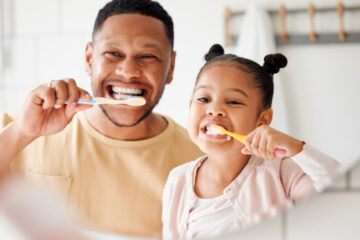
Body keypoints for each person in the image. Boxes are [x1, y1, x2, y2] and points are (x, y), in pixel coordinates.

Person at [0, 0, 203, 237]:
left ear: (170, 68)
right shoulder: (19, 132)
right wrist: (21, 133)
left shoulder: (198, 161)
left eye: (147, 56)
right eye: (113, 53)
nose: (128, 71)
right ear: (89, 59)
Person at [161, 44, 339, 240]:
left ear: (262, 120)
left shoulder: (282, 174)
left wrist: (297, 149)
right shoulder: (177, 180)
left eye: (233, 102)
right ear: (190, 107)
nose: (214, 109)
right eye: (204, 99)